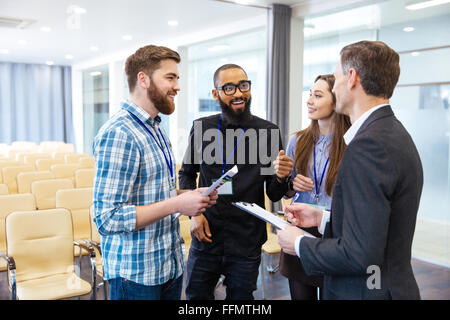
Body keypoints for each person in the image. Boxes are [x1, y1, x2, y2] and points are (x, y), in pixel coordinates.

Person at [277, 40, 424, 300]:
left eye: (335, 78)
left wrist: (299, 243)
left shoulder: (368, 145)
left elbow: (360, 254)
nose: (334, 86)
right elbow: (376, 227)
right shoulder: (391, 132)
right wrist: (322, 219)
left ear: (352, 78)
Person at [93, 45, 218, 300]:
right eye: (170, 78)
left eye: (177, 78)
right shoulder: (119, 133)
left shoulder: (156, 128)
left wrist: (189, 195)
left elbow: (154, 192)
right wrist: (177, 204)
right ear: (144, 79)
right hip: (136, 275)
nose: (177, 86)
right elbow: (107, 218)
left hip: (167, 266)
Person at [178, 63, 293, 300]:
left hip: (246, 238)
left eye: (243, 85)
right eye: (228, 88)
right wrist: (195, 215)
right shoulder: (203, 127)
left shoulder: (268, 132)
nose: (238, 93)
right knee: (196, 298)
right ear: (215, 94)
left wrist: (281, 177)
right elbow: (187, 174)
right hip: (206, 232)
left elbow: (273, 193)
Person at [279, 74, 351, 300]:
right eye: (309, 94)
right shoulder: (297, 141)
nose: (309, 100)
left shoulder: (352, 144)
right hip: (300, 229)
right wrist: (289, 182)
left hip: (334, 233)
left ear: (336, 100)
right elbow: (287, 190)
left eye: (317, 95)